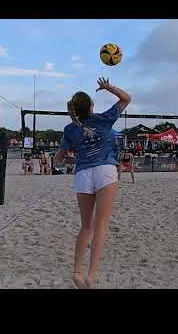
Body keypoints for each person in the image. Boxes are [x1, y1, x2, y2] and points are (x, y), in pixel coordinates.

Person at [55, 77, 131, 289]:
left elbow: (58, 160)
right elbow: (127, 98)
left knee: (86, 226)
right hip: (105, 170)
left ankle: (76, 271)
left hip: (83, 174)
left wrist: (75, 156)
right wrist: (108, 88)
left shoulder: (70, 129)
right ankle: (91, 275)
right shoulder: (104, 119)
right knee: (101, 226)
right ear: (91, 106)